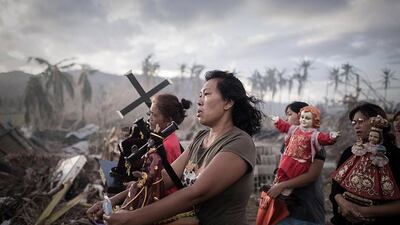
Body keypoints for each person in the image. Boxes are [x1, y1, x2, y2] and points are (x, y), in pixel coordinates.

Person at [87, 70, 264, 225]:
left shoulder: (239, 142)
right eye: (200, 95)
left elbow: (196, 193)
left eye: (207, 94)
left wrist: (131, 218)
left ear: (228, 103)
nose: (199, 101)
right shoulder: (200, 138)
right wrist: (113, 200)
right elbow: (164, 179)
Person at [330, 102, 400, 225]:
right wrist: (343, 203)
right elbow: (336, 187)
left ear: (376, 121)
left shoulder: (395, 155)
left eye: (361, 121)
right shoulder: (350, 152)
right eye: (354, 122)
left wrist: (363, 211)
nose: (356, 126)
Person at [265, 101, 327, 225]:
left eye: (289, 114)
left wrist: (281, 186)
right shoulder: (288, 141)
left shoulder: (314, 142)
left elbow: (312, 176)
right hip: (285, 204)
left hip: (306, 205)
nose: (286, 118)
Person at [272, 105, 340, 196]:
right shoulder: (293, 130)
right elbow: (285, 127)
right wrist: (277, 121)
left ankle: (285, 188)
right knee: (282, 172)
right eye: (302, 117)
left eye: (289, 114)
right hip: (288, 159)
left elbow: (325, 138)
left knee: (293, 174)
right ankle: (279, 187)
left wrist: (332, 137)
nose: (304, 120)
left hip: (302, 163)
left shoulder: (314, 137)